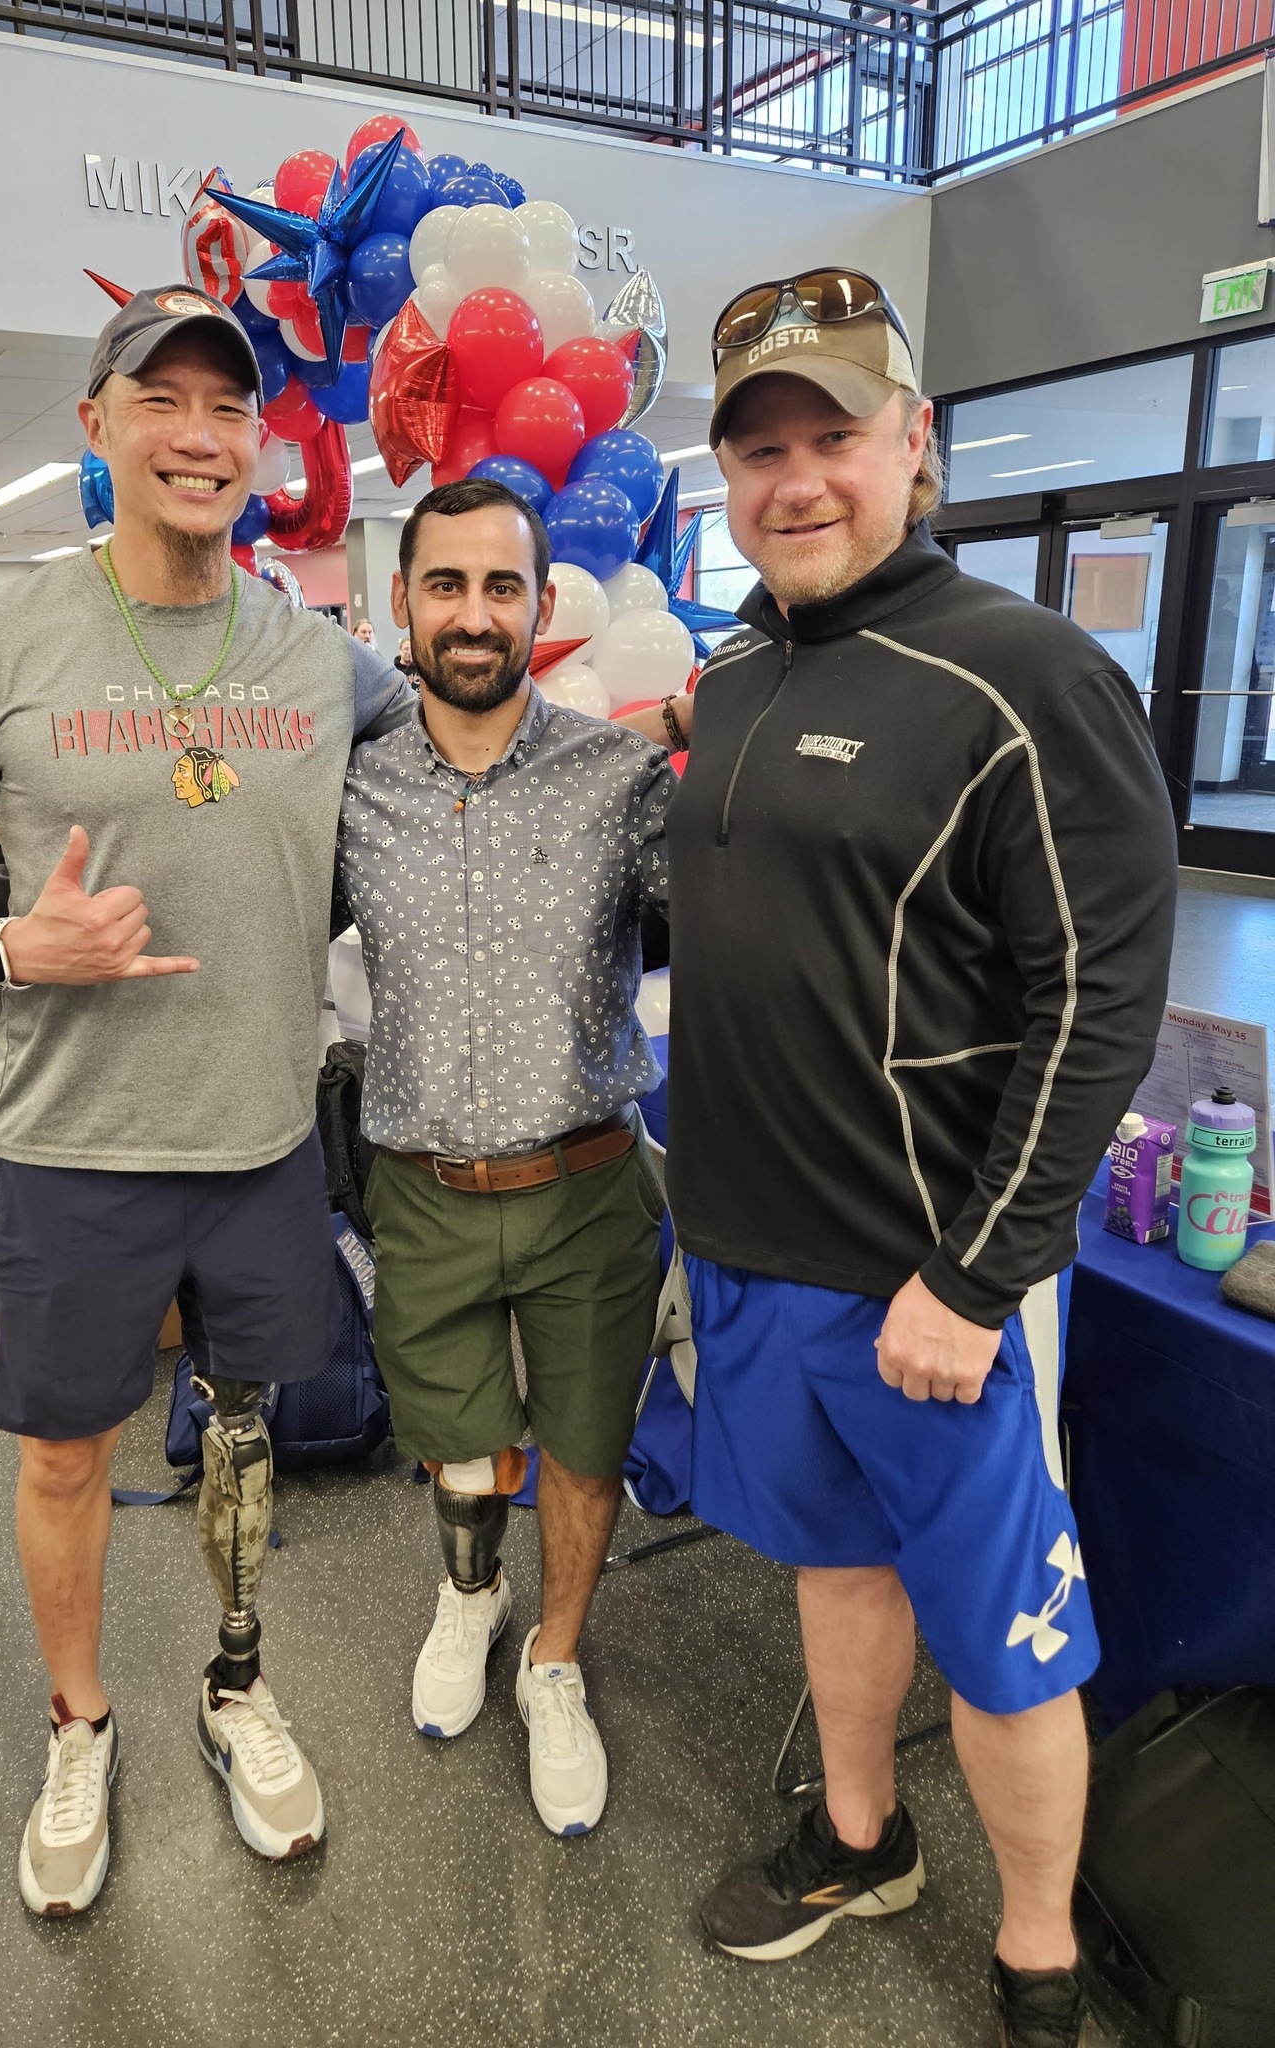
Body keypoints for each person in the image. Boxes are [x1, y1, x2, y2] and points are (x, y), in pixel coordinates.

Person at [0, 282, 413, 1917]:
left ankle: (237, 1682)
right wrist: (11, 942)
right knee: (65, 1459)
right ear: (97, 425)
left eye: (230, 406)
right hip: (71, 1151)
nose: (200, 435)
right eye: (161, 399)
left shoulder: (320, 657)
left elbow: (476, 722)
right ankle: (80, 1723)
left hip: (263, 1145)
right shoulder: (3, 639)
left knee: (245, 1431)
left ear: (261, 444)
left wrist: (683, 713)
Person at [663, 271, 1176, 2046]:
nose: (796, 479)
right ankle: (862, 1840)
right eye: (760, 450)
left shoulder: (1028, 677)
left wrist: (975, 1275)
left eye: (835, 436)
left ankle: (1037, 1958)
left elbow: (1098, 1005)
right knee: (835, 1567)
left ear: (915, 443)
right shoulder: (739, 677)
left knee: (1007, 1634)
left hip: (929, 1284)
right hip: (755, 1257)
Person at [335, 478, 674, 1836]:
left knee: (585, 1448)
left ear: (541, 606)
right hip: (421, 1188)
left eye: (501, 587)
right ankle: (470, 1600)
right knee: (463, 1446)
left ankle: (554, 1658)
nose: (474, 614)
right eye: (446, 584)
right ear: (401, 604)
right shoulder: (350, 792)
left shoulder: (619, 778)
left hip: (586, 1184)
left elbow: (749, 922)